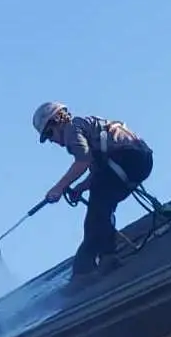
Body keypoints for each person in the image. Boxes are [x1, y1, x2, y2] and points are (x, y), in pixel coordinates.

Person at [32, 102, 156, 279]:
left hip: (129, 158)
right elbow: (98, 170)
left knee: (97, 212)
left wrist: (58, 188)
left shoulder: (72, 130)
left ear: (59, 121)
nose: (52, 140)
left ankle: (84, 270)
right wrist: (80, 188)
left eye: (50, 133)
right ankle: (107, 256)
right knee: (102, 205)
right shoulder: (87, 128)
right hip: (138, 160)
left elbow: (82, 162)